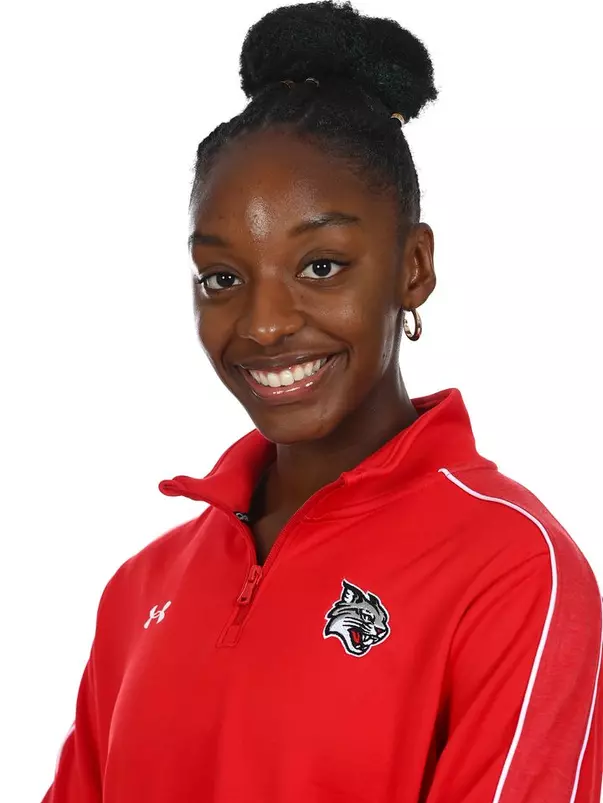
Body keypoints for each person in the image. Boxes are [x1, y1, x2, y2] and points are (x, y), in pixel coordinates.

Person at [42, 1, 603, 801]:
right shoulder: (141, 586)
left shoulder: (512, 570)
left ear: (412, 267)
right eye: (223, 278)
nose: (264, 325)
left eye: (321, 266)